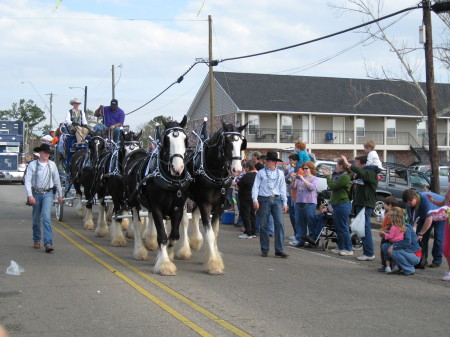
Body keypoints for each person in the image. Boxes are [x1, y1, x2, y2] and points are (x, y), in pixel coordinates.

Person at [24, 143, 63, 253]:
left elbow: (57, 181)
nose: (46, 154)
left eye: (48, 153)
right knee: (36, 218)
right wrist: (29, 195)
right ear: (40, 153)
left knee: (46, 217)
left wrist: (60, 195)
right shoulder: (32, 165)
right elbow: (27, 181)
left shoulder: (52, 165)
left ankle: (48, 243)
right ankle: (36, 239)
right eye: (44, 152)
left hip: (48, 193)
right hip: (36, 193)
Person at [252, 151, 289, 258]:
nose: (266, 162)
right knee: (263, 225)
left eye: (268, 161)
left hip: (276, 199)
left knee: (280, 224)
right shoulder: (261, 172)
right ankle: (265, 249)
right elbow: (255, 187)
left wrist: (285, 203)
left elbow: (283, 189)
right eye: (266, 160)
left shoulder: (280, 173)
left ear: (274, 162)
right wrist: (255, 200)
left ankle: (279, 249)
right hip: (264, 199)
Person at [342, 155, 378, 261]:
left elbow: (363, 173)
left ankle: (369, 253)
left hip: (366, 204)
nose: (355, 165)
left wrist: (349, 165)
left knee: (365, 228)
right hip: (360, 203)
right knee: (361, 229)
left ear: (363, 164)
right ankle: (366, 252)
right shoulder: (360, 174)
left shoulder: (370, 173)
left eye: (357, 163)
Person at [403, 188, 445, 268]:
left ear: (415, 198)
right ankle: (423, 259)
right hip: (424, 216)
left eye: (410, 203)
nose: (409, 205)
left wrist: (420, 233)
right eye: (407, 204)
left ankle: (437, 260)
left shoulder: (425, 200)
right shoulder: (409, 204)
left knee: (438, 238)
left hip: (440, 215)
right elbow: (411, 220)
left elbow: (429, 220)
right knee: (421, 239)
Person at [322, 159, 353, 256]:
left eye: (337, 165)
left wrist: (327, 176)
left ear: (341, 166)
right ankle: (340, 246)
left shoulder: (345, 177)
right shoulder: (340, 176)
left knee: (343, 227)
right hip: (337, 204)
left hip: (343, 204)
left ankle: (348, 248)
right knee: (338, 227)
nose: (336, 167)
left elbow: (333, 186)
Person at [385, 207, 422, 276]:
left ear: (395, 217)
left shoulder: (405, 227)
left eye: (390, 216)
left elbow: (407, 242)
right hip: (407, 252)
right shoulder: (395, 226)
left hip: (414, 254)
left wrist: (393, 245)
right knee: (385, 247)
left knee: (394, 251)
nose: (388, 217)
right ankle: (396, 267)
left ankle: (409, 269)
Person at [291, 161, 320, 248]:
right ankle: (301, 240)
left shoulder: (314, 178)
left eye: (306, 168)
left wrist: (303, 179)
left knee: (311, 222)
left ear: (311, 169)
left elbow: (312, 187)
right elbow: (293, 187)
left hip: (309, 203)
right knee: (301, 223)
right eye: (303, 169)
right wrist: (294, 179)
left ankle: (313, 240)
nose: (305, 170)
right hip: (299, 202)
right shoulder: (300, 178)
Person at [427, 179, 450, 281]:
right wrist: (433, 201)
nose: (448, 176)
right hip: (448, 221)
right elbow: (444, 203)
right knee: (446, 248)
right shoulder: (449, 189)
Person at [380, 207, 406, 273]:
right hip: (399, 244)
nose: (389, 218)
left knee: (387, 254)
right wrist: (388, 231)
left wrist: (384, 233)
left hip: (393, 243)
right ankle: (396, 266)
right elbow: (396, 234)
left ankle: (388, 267)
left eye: (390, 217)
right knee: (396, 256)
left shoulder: (393, 227)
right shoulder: (402, 226)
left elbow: (391, 237)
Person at [377, 196, 398, 272]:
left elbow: (389, 225)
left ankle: (385, 265)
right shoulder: (390, 213)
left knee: (384, 249)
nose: (383, 206)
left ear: (390, 205)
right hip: (387, 233)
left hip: (387, 235)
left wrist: (384, 230)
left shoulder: (390, 214)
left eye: (385, 204)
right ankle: (389, 265)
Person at [237, 160, 257, 239]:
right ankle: (253, 231)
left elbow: (239, 184)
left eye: (245, 168)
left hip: (245, 197)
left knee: (245, 215)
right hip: (253, 197)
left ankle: (248, 232)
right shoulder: (256, 175)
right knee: (252, 214)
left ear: (248, 168)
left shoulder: (246, 176)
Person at [285, 153, 299, 242]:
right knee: (292, 215)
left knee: (295, 215)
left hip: (295, 195)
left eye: (291, 160)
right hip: (290, 194)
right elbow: (286, 179)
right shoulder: (290, 169)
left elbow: (289, 180)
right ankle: (295, 233)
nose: (290, 162)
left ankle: (298, 233)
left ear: (296, 161)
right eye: (289, 160)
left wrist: (290, 175)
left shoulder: (297, 169)